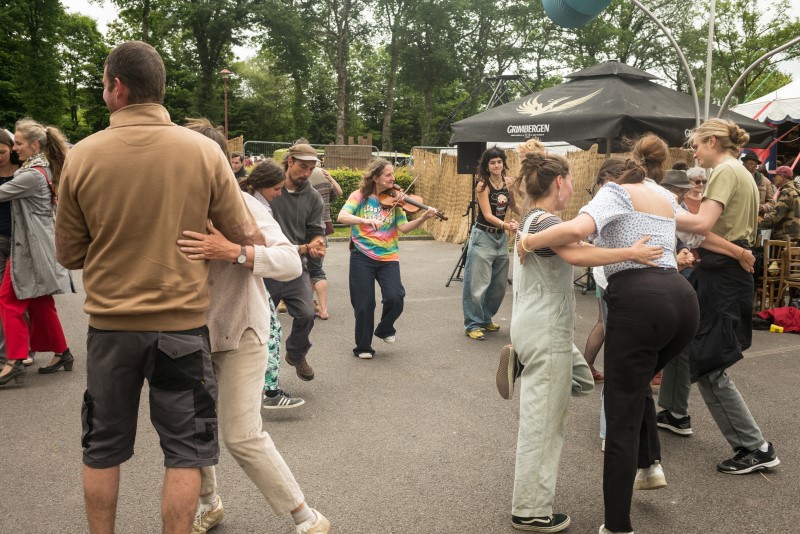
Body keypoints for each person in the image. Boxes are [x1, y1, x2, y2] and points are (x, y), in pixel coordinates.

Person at [55, 41, 263, 534]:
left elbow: (69, 254)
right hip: (182, 329)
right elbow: (246, 234)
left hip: (111, 330)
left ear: (118, 87)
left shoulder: (81, 156)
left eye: (103, 84)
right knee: (186, 452)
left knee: (102, 448)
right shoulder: (203, 151)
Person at [519, 134, 703, 534]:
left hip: (640, 302)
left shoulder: (615, 192)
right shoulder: (662, 195)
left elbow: (576, 234)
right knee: (636, 385)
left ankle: (617, 526)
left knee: (619, 415)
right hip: (684, 301)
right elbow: (700, 225)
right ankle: (649, 464)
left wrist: (528, 240)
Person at [177, 119, 328, 534]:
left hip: (241, 329)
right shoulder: (168, 203)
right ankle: (209, 503)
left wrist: (235, 251)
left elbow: (290, 261)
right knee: (193, 427)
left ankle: (306, 516)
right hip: (187, 334)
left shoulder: (243, 204)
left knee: (242, 435)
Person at [676, 118, 780, 475]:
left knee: (711, 364)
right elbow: (719, 236)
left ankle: (755, 447)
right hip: (725, 270)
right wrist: (736, 251)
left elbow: (701, 227)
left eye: (696, 145)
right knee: (686, 341)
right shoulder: (742, 172)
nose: (694, 153)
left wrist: (657, 210)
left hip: (723, 275)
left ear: (712, 141)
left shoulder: (724, 171)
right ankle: (673, 411)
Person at [336, 158, 437, 358]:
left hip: (388, 256)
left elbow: (404, 228)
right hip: (362, 254)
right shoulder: (359, 196)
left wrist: (422, 218)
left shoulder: (396, 200)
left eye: (393, 174)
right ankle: (363, 347)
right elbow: (342, 216)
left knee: (395, 296)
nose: (393, 178)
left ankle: (385, 328)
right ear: (375, 178)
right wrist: (365, 220)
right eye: (388, 175)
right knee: (364, 303)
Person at [0, 119, 73, 388]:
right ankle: (62, 352)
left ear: (34, 145)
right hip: (38, 246)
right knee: (40, 302)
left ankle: (15, 360)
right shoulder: (41, 168)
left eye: (18, 143)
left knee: (8, 299)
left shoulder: (31, 175)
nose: (14, 147)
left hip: (28, 249)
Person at [240, 160, 305, 409]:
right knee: (271, 330)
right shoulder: (252, 204)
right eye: (276, 188)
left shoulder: (256, 201)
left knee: (265, 331)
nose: (279, 194)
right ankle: (270, 391)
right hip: (249, 272)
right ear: (263, 184)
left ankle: (266, 388)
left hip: (251, 270)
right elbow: (260, 243)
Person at [266, 143, 326, 381]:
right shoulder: (268, 190)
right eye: (303, 167)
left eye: (311, 169)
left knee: (307, 314)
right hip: (265, 265)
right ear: (290, 161)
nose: (307, 173)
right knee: (261, 322)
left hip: (295, 266)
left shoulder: (313, 198)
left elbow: (316, 231)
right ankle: (260, 375)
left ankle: (296, 353)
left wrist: (317, 243)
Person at [462, 146, 519, 340]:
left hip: (500, 239)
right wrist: (506, 225)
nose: (496, 165)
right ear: (487, 166)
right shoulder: (482, 185)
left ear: (503, 164)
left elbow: (514, 205)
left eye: (499, 162)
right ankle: (472, 324)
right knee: (477, 285)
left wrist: (532, 214)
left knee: (498, 285)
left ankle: (486, 318)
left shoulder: (508, 182)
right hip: (483, 237)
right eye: (492, 162)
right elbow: (487, 215)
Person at [0, 129, 35, 366]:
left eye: (2, 152)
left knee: (20, 295)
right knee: (2, 297)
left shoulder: (23, 171)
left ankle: (24, 350)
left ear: (11, 148)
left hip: (21, 240)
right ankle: (7, 353)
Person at [307, 163, 342, 321]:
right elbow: (338, 193)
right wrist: (331, 178)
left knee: (305, 270)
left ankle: (307, 304)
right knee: (317, 270)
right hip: (322, 229)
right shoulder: (323, 176)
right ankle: (323, 309)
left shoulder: (300, 179)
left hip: (304, 229)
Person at [759, 165, 800, 243]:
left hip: (784, 238)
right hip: (794, 236)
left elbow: (776, 215)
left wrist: (758, 223)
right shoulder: (795, 191)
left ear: (782, 177)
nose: (773, 178)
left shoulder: (786, 192)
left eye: (775, 175)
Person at [741, 151, 776, 216]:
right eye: (750, 163)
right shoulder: (737, 178)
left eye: (755, 164)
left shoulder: (765, 182)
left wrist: (763, 207)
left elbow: (772, 203)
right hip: (740, 215)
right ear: (744, 164)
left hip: (757, 217)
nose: (753, 166)